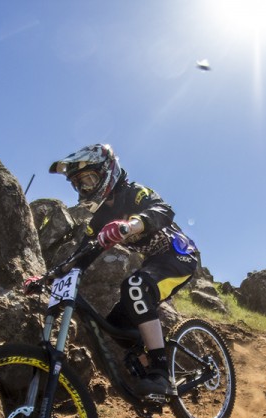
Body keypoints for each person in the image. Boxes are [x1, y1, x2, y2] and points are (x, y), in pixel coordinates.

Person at [49, 143, 199, 396]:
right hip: (154, 262)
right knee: (116, 325)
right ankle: (150, 368)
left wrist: (131, 225)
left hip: (178, 256)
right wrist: (50, 275)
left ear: (107, 170)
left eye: (89, 179)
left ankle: (162, 373)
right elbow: (83, 252)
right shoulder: (100, 218)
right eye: (79, 184)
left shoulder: (134, 193)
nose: (85, 188)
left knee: (134, 287)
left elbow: (164, 210)